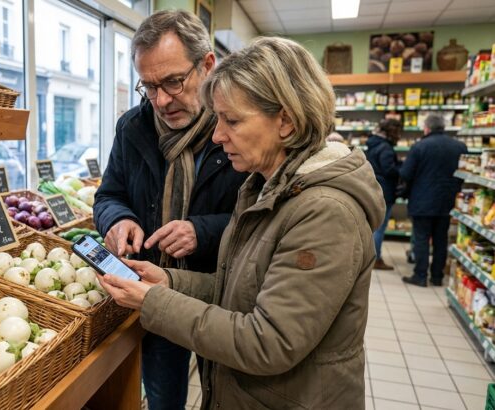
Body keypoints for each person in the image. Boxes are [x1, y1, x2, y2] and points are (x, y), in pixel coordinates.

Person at [96, 37, 384, 409]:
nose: (217, 136)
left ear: (286, 120)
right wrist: (169, 281)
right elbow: (240, 289)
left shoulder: (325, 212)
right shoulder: (265, 186)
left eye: (231, 120)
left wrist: (154, 301)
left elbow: (268, 342)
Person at [92, 10, 247, 409]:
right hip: (154, 289)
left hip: (222, 293)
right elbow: (108, 195)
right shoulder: (133, 127)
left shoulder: (239, 127)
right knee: (163, 397)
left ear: (207, 65)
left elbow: (260, 220)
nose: (161, 100)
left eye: (173, 82)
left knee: (225, 393)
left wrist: (202, 231)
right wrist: (118, 219)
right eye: (149, 86)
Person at [400, 114, 467, 287]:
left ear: (427, 128)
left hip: (422, 200)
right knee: (440, 239)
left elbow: (406, 173)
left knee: (422, 238)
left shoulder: (419, 146)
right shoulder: (459, 147)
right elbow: (464, 174)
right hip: (448, 200)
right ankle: (437, 276)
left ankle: (420, 275)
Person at [365, 118, 403, 270]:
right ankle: (375, 259)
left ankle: (369, 257)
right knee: (380, 227)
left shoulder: (373, 143)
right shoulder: (385, 147)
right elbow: (388, 170)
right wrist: (401, 168)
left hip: (373, 187)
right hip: (384, 191)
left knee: (373, 226)